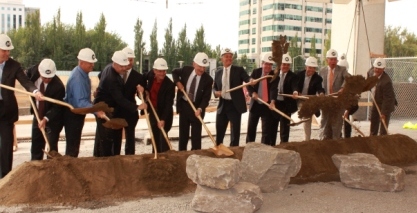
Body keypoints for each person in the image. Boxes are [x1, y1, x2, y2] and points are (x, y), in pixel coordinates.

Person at [0, 34, 43, 178]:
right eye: (3, 50)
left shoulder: (14, 66)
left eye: (8, 50)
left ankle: (5, 178)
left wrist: (35, 91)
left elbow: (26, 82)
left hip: (6, 111)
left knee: (6, 145)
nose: (7, 53)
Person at [94, 51, 147, 157]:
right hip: (105, 111)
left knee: (108, 139)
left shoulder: (109, 68)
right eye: (122, 66)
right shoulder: (112, 79)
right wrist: (137, 106)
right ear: (115, 64)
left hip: (110, 109)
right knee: (107, 141)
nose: (125, 68)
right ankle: (106, 164)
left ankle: (108, 160)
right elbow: (120, 99)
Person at [64, 48, 105, 157]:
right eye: (90, 63)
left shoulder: (83, 74)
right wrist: (96, 111)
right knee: (72, 146)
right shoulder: (78, 78)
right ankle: (69, 168)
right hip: (73, 116)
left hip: (77, 115)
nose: (92, 65)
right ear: (81, 62)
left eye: (93, 63)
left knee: (74, 144)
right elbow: (80, 102)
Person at [172, 52, 213, 151]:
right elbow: (174, 72)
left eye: (204, 67)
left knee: (196, 136)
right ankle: (182, 154)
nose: (202, 69)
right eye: (200, 66)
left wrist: (200, 108)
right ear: (194, 64)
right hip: (184, 106)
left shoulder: (208, 80)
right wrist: (178, 82)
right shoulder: (186, 70)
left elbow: (206, 98)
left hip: (197, 109)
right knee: (183, 135)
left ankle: (196, 155)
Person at [212, 48, 252, 147]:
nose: (229, 58)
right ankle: (219, 149)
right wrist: (216, 93)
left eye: (230, 57)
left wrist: (251, 80)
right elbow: (214, 87)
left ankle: (234, 152)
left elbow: (247, 78)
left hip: (235, 106)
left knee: (235, 133)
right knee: (220, 130)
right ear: (222, 59)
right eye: (226, 56)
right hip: (222, 105)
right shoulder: (218, 72)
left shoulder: (238, 70)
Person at [27, 59, 65, 160]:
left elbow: (57, 107)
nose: (47, 80)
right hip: (37, 115)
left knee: (51, 147)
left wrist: (45, 119)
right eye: (44, 77)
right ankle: (35, 167)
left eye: (50, 78)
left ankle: (51, 170)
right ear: (39, 72)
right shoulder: (33, 72)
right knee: (36, 146)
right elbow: (25, 79)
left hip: (52, 119)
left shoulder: (59, 87)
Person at [143, 58, 175, 153]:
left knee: (163, 138)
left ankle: (165, 158)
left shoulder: (170, 85)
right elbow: (141, 79)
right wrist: (144, 90)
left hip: (164, 114)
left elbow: (168, 104)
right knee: (155, 136)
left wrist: (163, 119)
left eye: (164, 71)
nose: (162, 73)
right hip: (153, 111)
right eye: (160, 71)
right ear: (154, 70)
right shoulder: (150, 75)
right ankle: (155, 155)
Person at [319, 49, 350, 140]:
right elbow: (318, 84)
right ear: (327, 60)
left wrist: (343, 88)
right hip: (326, 101)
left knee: (336, 125)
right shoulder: (322, 71)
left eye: (335, 59)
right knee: (324, 122)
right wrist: (320, 93)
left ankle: (336, 142)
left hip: (338, 102)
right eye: (331, 59)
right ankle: (323, 141)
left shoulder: (342, 70)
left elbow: (349, 78)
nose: (333, 62)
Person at [245, 52, 275, 145]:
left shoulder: (274, 75)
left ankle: (264, 149)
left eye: (270, 64)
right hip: (256, 105)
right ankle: (249, 147)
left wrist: (273, 101)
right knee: (251, 129)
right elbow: (248, 86)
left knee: (266, 131)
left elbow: (274, 89)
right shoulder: (256, 72)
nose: (268, 66)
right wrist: (253, 93)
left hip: (267, 105)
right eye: (266, 63)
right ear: (262, 63)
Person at [121, 47, 146, 155]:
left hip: (130, 111)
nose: (128, 62)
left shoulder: (138, 77)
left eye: (131, 60)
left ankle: (130, 158)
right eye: (126, 59)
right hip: (116, 110)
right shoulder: (115, 72)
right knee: (115, 136)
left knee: (130, 136)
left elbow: (142, 96)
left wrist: (143, 92)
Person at [269, 53, 299, 144]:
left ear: (289, 65)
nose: (285, 66)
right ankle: (272, 145)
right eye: (283, 64)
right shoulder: (273, 74)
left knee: (285, 128)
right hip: (275, 103)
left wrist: (295, 92)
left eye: (287, 64)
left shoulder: (293, 76)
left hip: (286, 105)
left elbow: (295, 86)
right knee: (272, 127)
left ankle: (284, 145)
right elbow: (270, 87)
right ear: (280, 64)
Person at [294, 56, 325, 141]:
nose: (311, 70)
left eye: (313, 68)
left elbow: (320, 88)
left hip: (309, 101)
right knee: (302, 113)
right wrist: (296, 91)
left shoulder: (318, 78)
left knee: (307, 117)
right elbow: (295, 85)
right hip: (298, 98)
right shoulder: (298, 75)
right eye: (310, 67)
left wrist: (321, 93)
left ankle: (307, 140)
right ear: (305, 67)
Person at [367, 58, 396, 136]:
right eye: (376, 68)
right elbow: (368, 79)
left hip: (386, 104)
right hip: (376, 101)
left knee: (383, 128)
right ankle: (372, 140)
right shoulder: (370, 72)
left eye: (379, 69)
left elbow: (388, 99)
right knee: (373, 122)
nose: (377, 70)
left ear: (383, 69)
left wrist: (383, 113)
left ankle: (383, 142)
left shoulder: (386, 82)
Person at [337, 55, 359, 138]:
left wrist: (348, 110)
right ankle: (339, 136)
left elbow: (354, 99)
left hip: (352, 104)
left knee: (346, 118)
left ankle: (347, 138)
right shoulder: (338, 78)